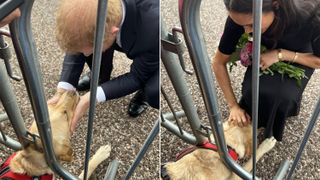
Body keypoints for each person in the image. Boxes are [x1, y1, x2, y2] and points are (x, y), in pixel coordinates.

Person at [212, 0, 320, 141]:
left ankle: (276, 125)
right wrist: (233, 106)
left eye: (251, 25)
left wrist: (279, 54)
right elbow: (218, 62)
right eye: (241, 25)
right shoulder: (240, 16)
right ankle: (256, 118)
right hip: (266, 50)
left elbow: (318, 60)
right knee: (253, 90)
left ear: (276, 4)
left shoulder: (310, 14)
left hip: (301, 53)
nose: (246, 31)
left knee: (283, 96)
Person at [48, 0, 159, 132]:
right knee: (89, 44)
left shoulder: (153, 27)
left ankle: (144, 93)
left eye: (85, 50)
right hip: (115, 29)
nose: (84, 54)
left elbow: (137, 76)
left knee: (153, 90)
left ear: (113, 32)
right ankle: (101, 76)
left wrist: (92, 97)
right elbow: (78, 38)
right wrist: (65, 87)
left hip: (152, 48)